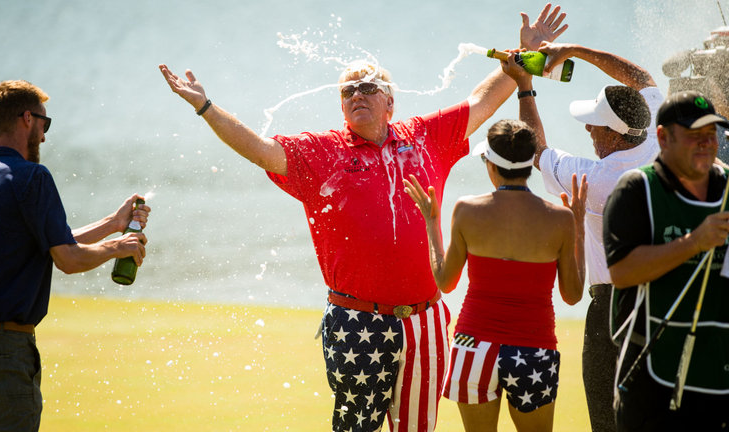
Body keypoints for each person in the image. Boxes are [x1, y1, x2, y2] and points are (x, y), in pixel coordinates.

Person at [159, 5, 568, 431]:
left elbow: (483, 101)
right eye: (348, 91)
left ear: (390, 101)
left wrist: (523, 55)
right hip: (356, 321)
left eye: (368, 87)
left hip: (425, 320)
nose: (357, 94)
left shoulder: (425, 136)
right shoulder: (320, 151)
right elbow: (259, 149)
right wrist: (206, 107)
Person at [402, 50, 587, 431]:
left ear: (490, 163)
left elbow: (444, 281)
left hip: (474, 347)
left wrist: (432, 221)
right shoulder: (560, 218)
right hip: (533, 350)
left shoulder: (468, 210)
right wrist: (579, 224)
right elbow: (572, 295)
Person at [0, 80, 151, 432]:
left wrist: (113, 223)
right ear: (27, 119)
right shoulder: (33, 177)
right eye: (44, 124)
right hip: (7, 347)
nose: (45, 137)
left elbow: (49, 244)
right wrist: (116, 248)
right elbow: (67, 259)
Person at [519, 41, 663, 432]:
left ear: (615, 136)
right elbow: (641, 79)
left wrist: (524, 87)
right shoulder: (655, 138)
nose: (586, 128)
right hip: (667, 301)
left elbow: (535, 151)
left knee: (606, 417)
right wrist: (577, 50)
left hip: (614, 308)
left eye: (595, 125)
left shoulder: (598, 179)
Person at [603, 91, 729, 431]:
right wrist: (695, 242)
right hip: (652, 374)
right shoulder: (635, 188)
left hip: (719, 369)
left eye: (710, 135)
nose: (705, 143)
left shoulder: (728, 188)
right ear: (663, 137)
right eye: (693, 135)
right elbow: (622, 272)